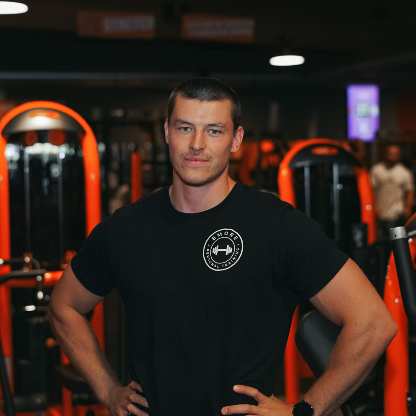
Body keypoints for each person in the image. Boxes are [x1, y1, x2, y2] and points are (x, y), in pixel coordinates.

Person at [49, 78, 397, 416]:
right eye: (185, 128)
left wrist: (304, 411)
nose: (197, 143)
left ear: (236, 139)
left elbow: (373, 323)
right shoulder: (125, 228)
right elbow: (64, 307)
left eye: (214, 130)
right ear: (167, 132)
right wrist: (109, 390)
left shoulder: (277, 226)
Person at [370, 144, 415, 239]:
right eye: (390, 153)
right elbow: (372, 190)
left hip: (397, 213)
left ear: (399, 155)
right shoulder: (376, 170)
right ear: (385, 154)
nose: (392, 155)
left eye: (395, 153)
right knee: (382, 239)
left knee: (397, 240)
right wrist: (373, 207)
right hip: (381, 213)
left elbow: (410, 192)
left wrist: (408, 209)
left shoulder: (405, 172)